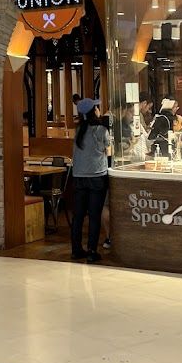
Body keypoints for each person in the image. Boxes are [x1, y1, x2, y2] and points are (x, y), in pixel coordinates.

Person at [70, 98, 111, 264]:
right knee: (94, 216)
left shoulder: (78, 130)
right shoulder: (101, 130)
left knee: (78, 216)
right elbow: (108, 151)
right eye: (97, 107)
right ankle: (92, 251)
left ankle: (76, 249)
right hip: (97, 177)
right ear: (94, 111)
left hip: (78, 176)